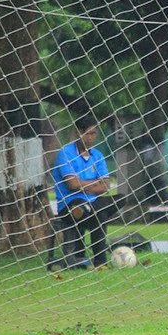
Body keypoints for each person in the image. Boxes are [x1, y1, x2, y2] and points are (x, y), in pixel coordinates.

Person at [52, 114, 118, 270]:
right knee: (98, 213)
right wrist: (95, 183)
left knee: (120, 198)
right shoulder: (66, 153)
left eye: (93, 134)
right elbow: (72, 184)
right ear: (77, 132)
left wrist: (85, 185)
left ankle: (85, 211)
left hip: (92, 203)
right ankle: (100, 263)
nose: (90, 138)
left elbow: (106, 187)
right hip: (70, 204)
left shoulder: (98, 155)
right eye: (87, 134)